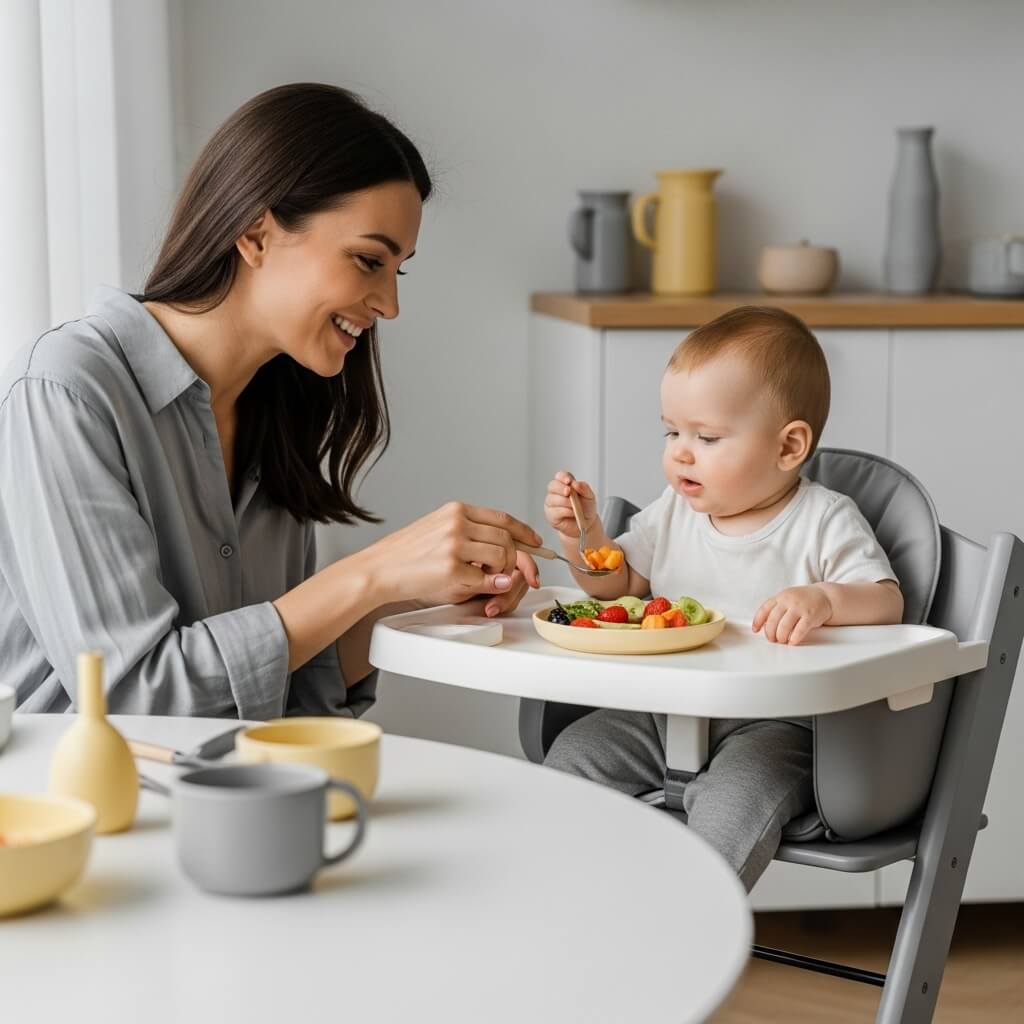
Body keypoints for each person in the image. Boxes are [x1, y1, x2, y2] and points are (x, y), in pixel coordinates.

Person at [0, 83, 541, 718]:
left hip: (241, 792)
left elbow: (287, 691)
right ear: (255, 234)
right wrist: (370, 574)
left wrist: (419, 594)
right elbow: (134, 699)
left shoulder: (278, 408)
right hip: (87, 808)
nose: (390, 305)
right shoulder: (68, 391)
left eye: (399, 270)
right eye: (368, 260)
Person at [541, 306, 904, 890]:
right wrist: (583, 539)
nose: (681, 452)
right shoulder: (675, 512)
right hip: (659, 711)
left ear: (789, 447)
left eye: (707, 437)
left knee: (733, 807)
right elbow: (620, 585)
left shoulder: (823, 519)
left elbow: (887, 601)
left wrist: (825, 600)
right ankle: (572, 906)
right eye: (672, 431)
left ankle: (685, 937)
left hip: (775, 727)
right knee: (573, 757)